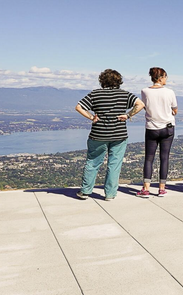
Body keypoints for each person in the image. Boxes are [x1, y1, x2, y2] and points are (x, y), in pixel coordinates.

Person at [75, 69, 141, 200]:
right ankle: (110, 194)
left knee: (93, 162)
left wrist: (91, 117)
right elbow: (140, 104)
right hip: (119, 134)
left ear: (102, 81)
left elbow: (79, 107)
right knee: (114, 164)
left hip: (98, 134)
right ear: (119, 81)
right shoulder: (125, 94)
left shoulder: (95, 94)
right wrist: (128, 115)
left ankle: (86, 191)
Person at [137, 67, 177, 198]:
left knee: (149, 158)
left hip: (152, 128)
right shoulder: (170, 92)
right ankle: (162, 189)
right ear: (160, 78)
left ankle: (146, 189)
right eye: (165, 77)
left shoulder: (145, 91)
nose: (166, 79)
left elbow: (145, 107)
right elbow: (174, 109)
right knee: (164, 157)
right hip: (168, 127)